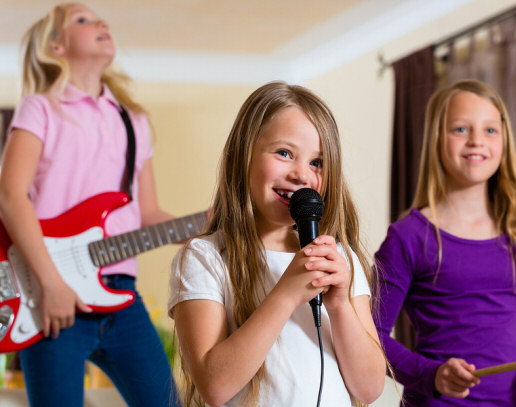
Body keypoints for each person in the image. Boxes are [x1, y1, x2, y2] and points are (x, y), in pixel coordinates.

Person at [0, 3, 181, 406]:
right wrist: (50, 283)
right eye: (82, 20)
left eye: (99, 18)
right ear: (56, 46)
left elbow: (147, 213)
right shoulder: (41, 107)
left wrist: (208, 228)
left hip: (122, 295)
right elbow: (10, 196)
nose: (101, 22)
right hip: (52, 298)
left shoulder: (131, 121)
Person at [168, 81, 386, 407]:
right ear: (243, 157)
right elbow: (214, 386)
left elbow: (369, 389)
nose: (302, 175)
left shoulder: (340, 258)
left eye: (317, 162)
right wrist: (285, 295)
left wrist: (339, 304)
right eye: (285, 153)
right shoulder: (205, 257)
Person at [373, 79, 516, 406]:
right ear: (437, 139)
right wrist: (432, 375)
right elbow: (369, 337)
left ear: (504, 141)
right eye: (461, 129)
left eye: (490, 130)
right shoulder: (407, 237)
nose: (477, 140)